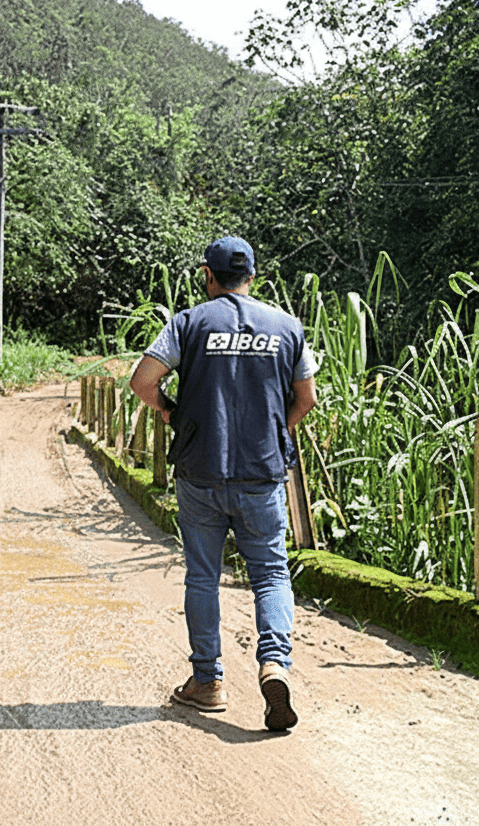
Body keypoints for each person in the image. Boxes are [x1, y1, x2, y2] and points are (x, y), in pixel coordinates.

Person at [129, 236, 318, 732]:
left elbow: (142, 381)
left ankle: (208, 682)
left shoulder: (188, 323)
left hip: (200, 473)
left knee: (202, 578)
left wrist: (173, 412)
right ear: (253, 277)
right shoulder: (286, 327)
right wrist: (276, 430)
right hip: (262, 474)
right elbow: (307, 398)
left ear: (208, 276)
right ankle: (275, 663)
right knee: (271, 574)